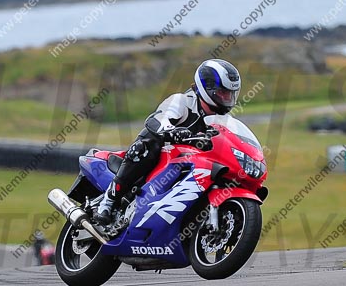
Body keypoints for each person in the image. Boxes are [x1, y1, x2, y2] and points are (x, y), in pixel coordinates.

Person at [94, 59, 241, 225]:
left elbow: (232, 140)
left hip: (191, 163)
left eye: (230, 94)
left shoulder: (223, 120)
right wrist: (172, 131)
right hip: (163, 157)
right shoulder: (182, 101)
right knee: (147, 146)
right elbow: (157, 120)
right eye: (222, 92)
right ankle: (108, 201)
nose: (227, 98)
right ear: (207, 88)